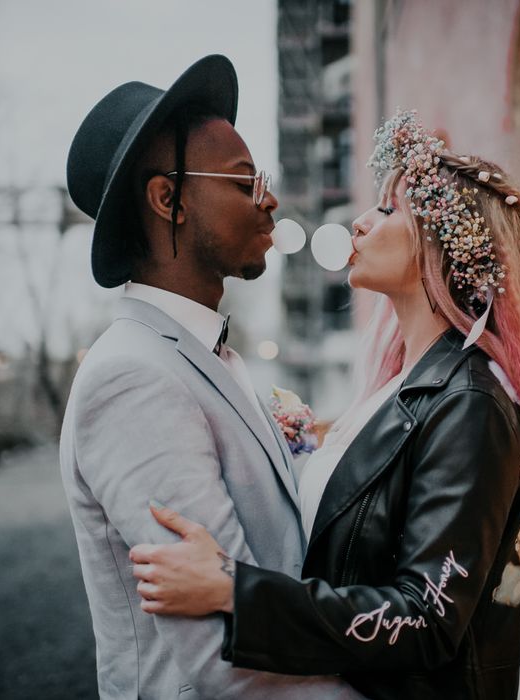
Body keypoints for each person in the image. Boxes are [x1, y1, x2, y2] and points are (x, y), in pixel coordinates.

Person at [129, 109, 520, 700]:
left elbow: (426, 620)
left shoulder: (471, 401)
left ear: (442, 247)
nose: (359, 224)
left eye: (387, 210)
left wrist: (235, 589)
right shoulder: (396, 384)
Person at [60, 55, 364, 700]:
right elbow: (228, 657)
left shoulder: (206, 356)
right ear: (168, 198)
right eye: (244, 181)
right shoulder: (131, 378)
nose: (270, 200)